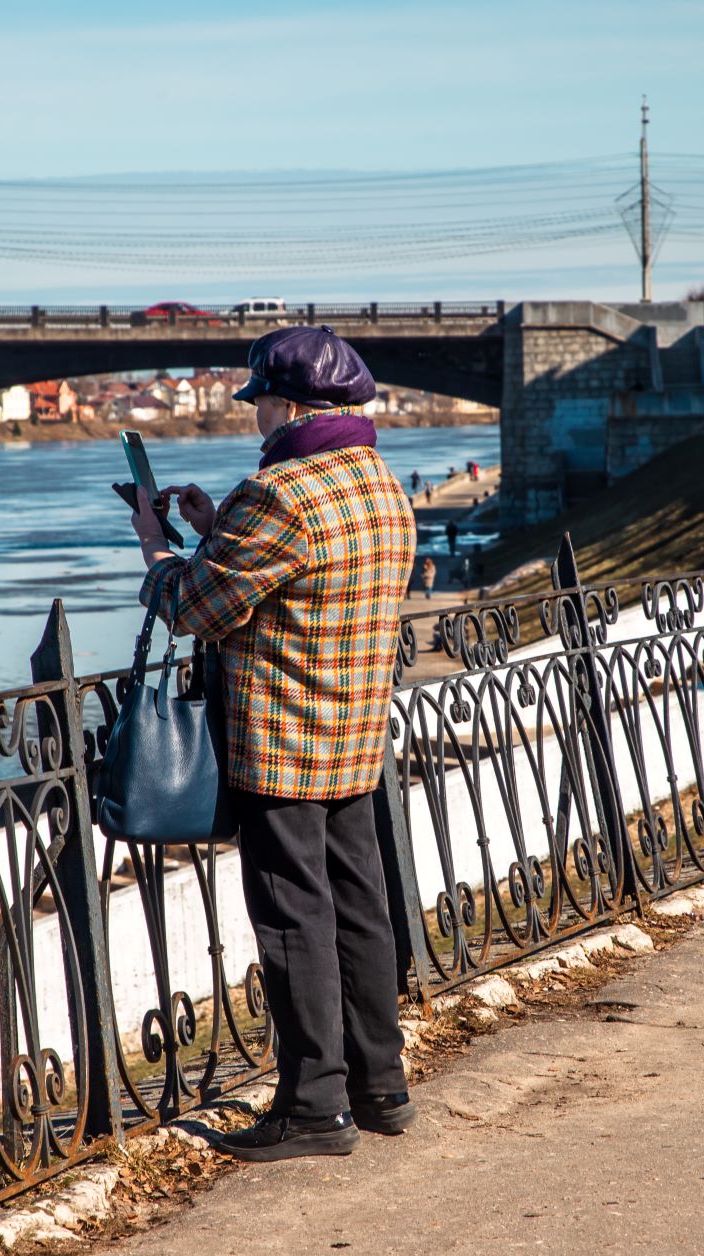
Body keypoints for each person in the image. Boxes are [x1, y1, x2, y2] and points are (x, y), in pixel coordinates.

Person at [130, 324, 416, 1161]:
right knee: (359, 908)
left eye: (259, 401)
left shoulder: (279, 493)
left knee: (295, 918)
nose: (254, 415)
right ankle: (381, 1086)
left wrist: (155, 542)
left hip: (284, 743)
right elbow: (302, 575)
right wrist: (216, 526)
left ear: (290, 406)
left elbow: (195, 607)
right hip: (354, 738)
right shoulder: (377, 479)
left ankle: (314, 1106)